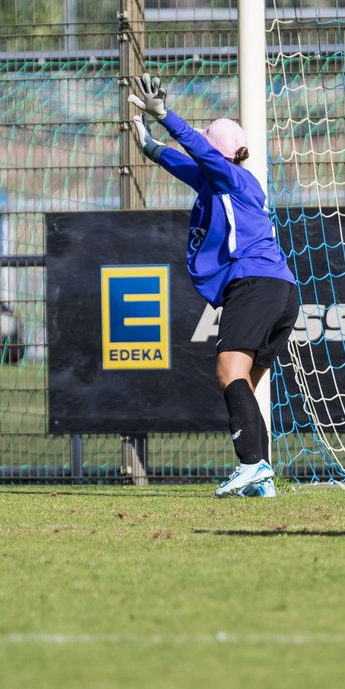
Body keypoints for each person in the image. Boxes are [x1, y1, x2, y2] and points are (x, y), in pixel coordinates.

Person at [129, 73, 298, 498]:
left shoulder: (232, 179)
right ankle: (261, 477)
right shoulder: (216, 182)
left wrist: (166, 116)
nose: (201, 144)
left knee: (228, 371)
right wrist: (149, 145)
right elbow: (181, 161)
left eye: (208, 141)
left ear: (219, 152)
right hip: (279, 289)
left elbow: (198, 151)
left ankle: (251, 467)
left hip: (256, 284)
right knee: (245, 382)